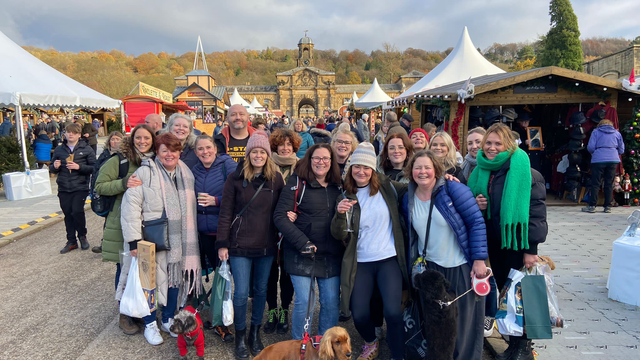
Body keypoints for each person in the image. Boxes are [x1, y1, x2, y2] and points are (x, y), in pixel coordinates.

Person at [467, 123, 547, 360]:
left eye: (497, 144)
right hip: (495, 243)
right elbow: (472, 203)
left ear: (508, 145)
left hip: (517, 244)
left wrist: (531, 250)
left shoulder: (526, 171)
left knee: (523, 295)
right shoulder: (481, 169)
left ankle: (523, 347)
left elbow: (536, 213)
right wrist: (477, 204)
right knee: (506, 295)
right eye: (488, 143)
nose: (492, 148)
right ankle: (514, 345)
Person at [401, 150, 488, 360]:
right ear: (410, 171)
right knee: (438, 326)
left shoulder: (453, 189)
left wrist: (478, 259)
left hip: (459, 266)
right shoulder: (407, 198)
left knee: (464, 326)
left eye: (427, 167)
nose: (422, 172)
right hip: (431, 269)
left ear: (437, 170)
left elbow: (476, 222)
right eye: (417, 167)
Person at [120, 133, 201, 346]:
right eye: (164, 150)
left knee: (174, 279)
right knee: (149, 283)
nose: (169, 154)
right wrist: (134, 240)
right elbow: (130, 208)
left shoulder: (185, 172)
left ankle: (167, 319)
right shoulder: (144, 173)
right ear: (157, 151)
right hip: (150, 239)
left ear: (179, 152)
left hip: (178, 240)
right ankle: (149, 323)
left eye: (173, 150)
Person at [330, 142, 408, 360]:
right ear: (351, 169)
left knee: (393, 312)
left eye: (366, 167)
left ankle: (398, 354)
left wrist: (445, 179)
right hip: (361, 261)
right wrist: (339, 214)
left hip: (387, 259)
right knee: (360, 313)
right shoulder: (345, 196)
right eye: (357, 167)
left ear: (373, 170)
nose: (361, 171)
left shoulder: (387, 188)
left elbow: (417, 186)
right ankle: (371, 341)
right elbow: (338, 234)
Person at [216, 131, 284, 358]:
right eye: (254, 151)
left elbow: (282, 210)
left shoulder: (276, 178)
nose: (258, 155)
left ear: (268, 155)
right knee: (241, 292)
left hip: (266, 244)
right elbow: (226, 212)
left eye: (262, 152)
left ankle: (255, 333)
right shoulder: (234, 178)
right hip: (239, 244)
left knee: (261, 290)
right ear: (247, 154)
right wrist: (222, 243)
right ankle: (240, 336)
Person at [274, 143, 344, 340]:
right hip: (300, 252)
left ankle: (325, 345)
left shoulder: (338, 185)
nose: (321, 162)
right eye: (316, 158)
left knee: (331, 302)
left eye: (325, 159)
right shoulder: (297, 183)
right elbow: (280, 217)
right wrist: (302, 242)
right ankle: (300, 345)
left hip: (330, 253)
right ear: (309, 160)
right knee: (305, 302)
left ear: (332, 162)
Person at [95, 126, 151, 335]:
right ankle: (124, 313)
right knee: (124, 268)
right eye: (139, 137)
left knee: (143, 268)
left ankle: (139, 309)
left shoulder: (153, 160)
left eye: (147, 138)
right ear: (132, 139)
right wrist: (123, 183)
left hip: (146, 223)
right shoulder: (119, 161)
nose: (142, 141)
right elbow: (99, 186)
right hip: (121, 223)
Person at [191, 134, 237, 342]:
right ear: (195, 152)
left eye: (208, 147)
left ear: (215, 148)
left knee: (224, 277)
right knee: (210, 276)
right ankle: (211, 314)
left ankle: (222, 322)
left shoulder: (228, 166)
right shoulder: (194, 170)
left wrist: (216, 201)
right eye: (200, 149)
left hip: (224, 231)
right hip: (203, 233)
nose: (205, 152)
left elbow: (240, 193)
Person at [50, 123, 96, 253]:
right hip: (64, 186)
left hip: (80, 186)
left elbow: (94, 167)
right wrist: (55, 166)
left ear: (79, 135)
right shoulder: (59, 150)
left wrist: (79, 167)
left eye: (74, 133)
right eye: (68, 132)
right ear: (64, 134)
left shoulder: (86, 149)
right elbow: (51, 169)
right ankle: (71, 241)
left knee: (77, 211)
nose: (70, 134)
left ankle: (82, 236)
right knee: (68, 214)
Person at [92, 131, 125, 253]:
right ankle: (105, 243)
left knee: (112, 219)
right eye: (113, 139)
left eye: (118, 139)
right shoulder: (104, 155)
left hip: (116, 191)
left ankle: (107, 244)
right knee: (108, 219)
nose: (115, 141)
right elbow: (96, 172)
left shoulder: (123, 156)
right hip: (104, 191)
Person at [583, 119, 624, 213]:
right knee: (609, 183)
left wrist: (596, 153)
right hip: (613, 160)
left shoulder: (596, 132)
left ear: (600, 125)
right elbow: (621, 149)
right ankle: (607, 206)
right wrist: (613, 152)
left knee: (596, 183)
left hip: (598, 159)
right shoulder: (617, 133)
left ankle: (592, 206)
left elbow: (590, 147)